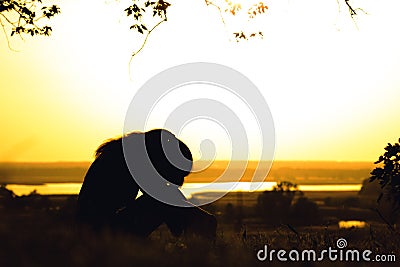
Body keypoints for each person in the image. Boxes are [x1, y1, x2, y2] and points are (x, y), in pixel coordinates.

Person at [77, 129, 216, 238]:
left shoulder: (130, 152)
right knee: (163, 199)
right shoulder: (135, 159)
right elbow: (164, 197)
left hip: (99, 231)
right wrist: (199, 219)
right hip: (102, 234)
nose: (180, 181)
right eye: (179, 173)